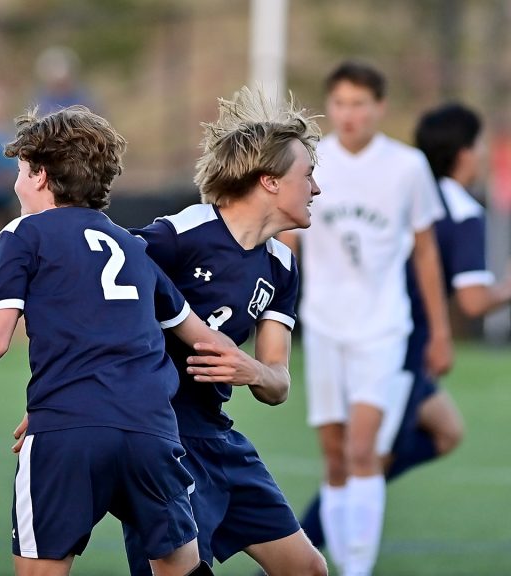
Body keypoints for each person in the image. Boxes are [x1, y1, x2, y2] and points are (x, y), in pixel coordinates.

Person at [0, 105, 225, 576]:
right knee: (180, 568)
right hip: (151, 433)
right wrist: (262, 371)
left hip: (67, 432)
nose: (17, 184)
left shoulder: (25, 233)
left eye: (20, 171)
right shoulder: (133, 246)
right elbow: (200, 337)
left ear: (41, 176)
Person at [104, 87, 327, 576]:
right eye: (307, 176)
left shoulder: (283, 266)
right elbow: (97, 305)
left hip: (215, 436)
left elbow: (278, 383)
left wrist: (251, 369)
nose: (316, 190)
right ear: (269, 181)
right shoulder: (177, 237)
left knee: (308, 569)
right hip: (157, 438)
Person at [299, 102, 511, 548]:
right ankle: (300, 546)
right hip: (396, 347)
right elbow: (473, 300)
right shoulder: (460, 209)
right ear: (465, 152)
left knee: (444, 431)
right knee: (364, 458)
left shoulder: (401, 187)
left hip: (375, 335)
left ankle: (339, 517)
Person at [278, 61, 453, 576]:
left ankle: (357, 569)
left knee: (363, 451)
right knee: (334, 458)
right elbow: (288, 242)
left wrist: (440, 331)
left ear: (379, 107)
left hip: (383, 328)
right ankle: (336, 564)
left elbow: (425, 252)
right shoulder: (311, 161)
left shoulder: (407, 166)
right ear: (328, 107)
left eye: (359, 103)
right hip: (325, 327)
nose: (349, 114)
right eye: (340, 103)